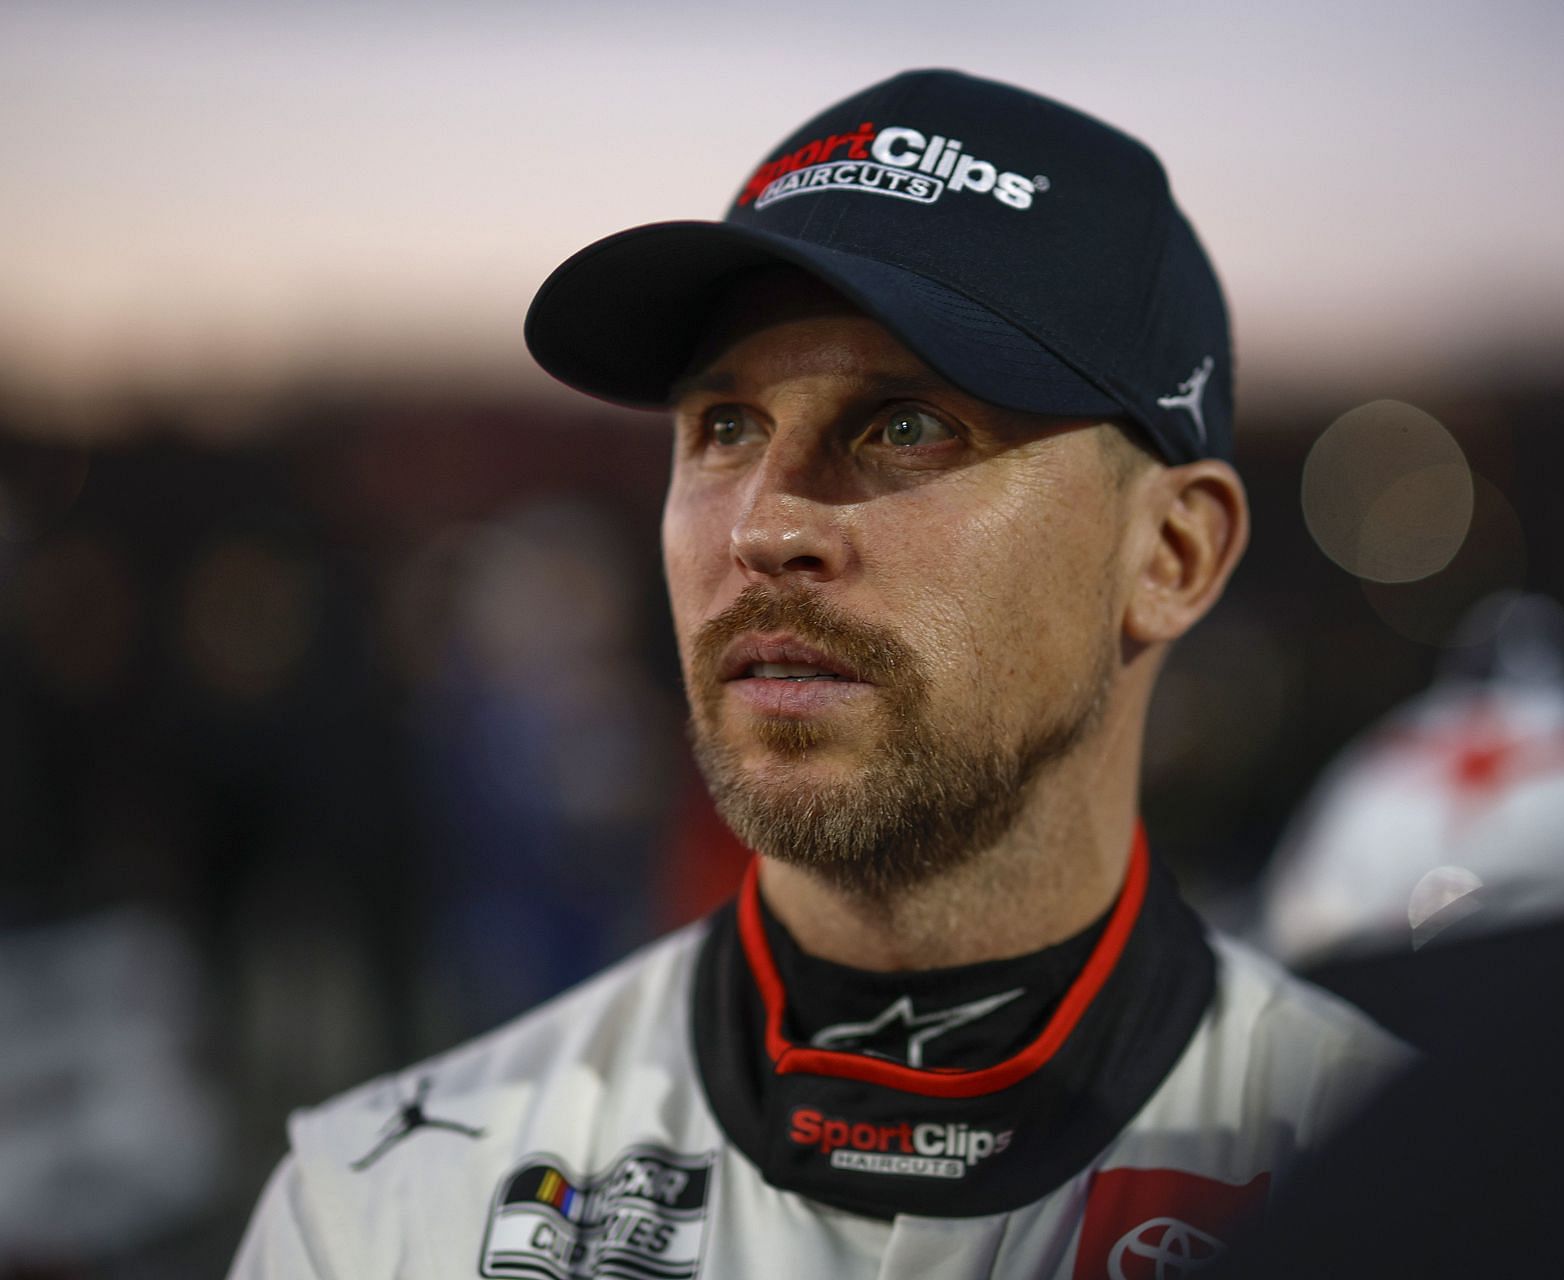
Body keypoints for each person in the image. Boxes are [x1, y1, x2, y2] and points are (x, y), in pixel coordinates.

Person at [230, 68, 1405, 1278]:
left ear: (1171, 553)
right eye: (724, 426)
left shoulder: (1444, 1187)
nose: (762, 523)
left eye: (906, 422)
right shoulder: (383, 1205)